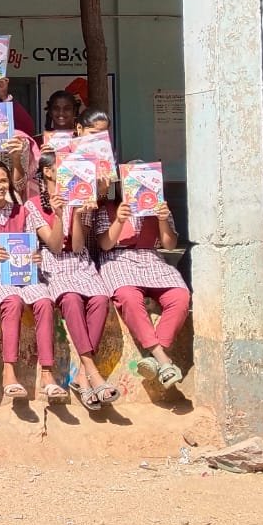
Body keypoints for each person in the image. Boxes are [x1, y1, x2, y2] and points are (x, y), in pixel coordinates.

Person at [0, 158, 67, 403]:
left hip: (24, 273)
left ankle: (47, 373)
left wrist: (35, 255)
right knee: (13, 302)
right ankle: (9, 372)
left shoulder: (23, 210)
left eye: (3, 180)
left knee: (45, 302)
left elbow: (37, 243)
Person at [31, 152, 117, 410]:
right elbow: (55, 246)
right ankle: (93, 371)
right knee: (70, 299)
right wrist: (59, 215)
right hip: (54, 263)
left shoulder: (83, 199)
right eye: (63, 167)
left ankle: (81, 375)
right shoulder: (33, 205)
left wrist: (77, 213)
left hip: (79, 261)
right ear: (48, 172)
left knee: (100, 299)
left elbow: (78, 246)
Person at [95, 163, 191, 389]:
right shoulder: (108, 209)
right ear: (121, 185)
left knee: (180, 296)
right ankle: (163, 358)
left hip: (151, 259)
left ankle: (154, 357)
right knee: (128, 296)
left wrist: (162, 219)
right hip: (119, 259)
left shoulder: (159, 208)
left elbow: (169, 244)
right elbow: (105, 244)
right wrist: (119, 220)